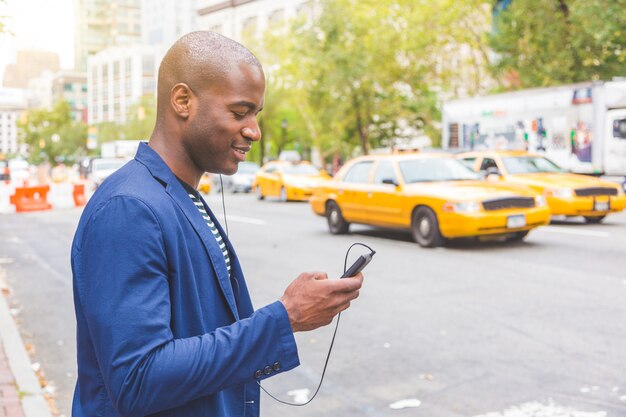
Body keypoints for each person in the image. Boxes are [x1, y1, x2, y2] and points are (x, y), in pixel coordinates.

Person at [71, 31, 364, 417]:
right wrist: (284, 317)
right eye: (239, 112)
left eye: (256, 116)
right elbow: (138, 379)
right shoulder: (129, 208)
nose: (254, 132)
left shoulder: (180, 195)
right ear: (182, 101)